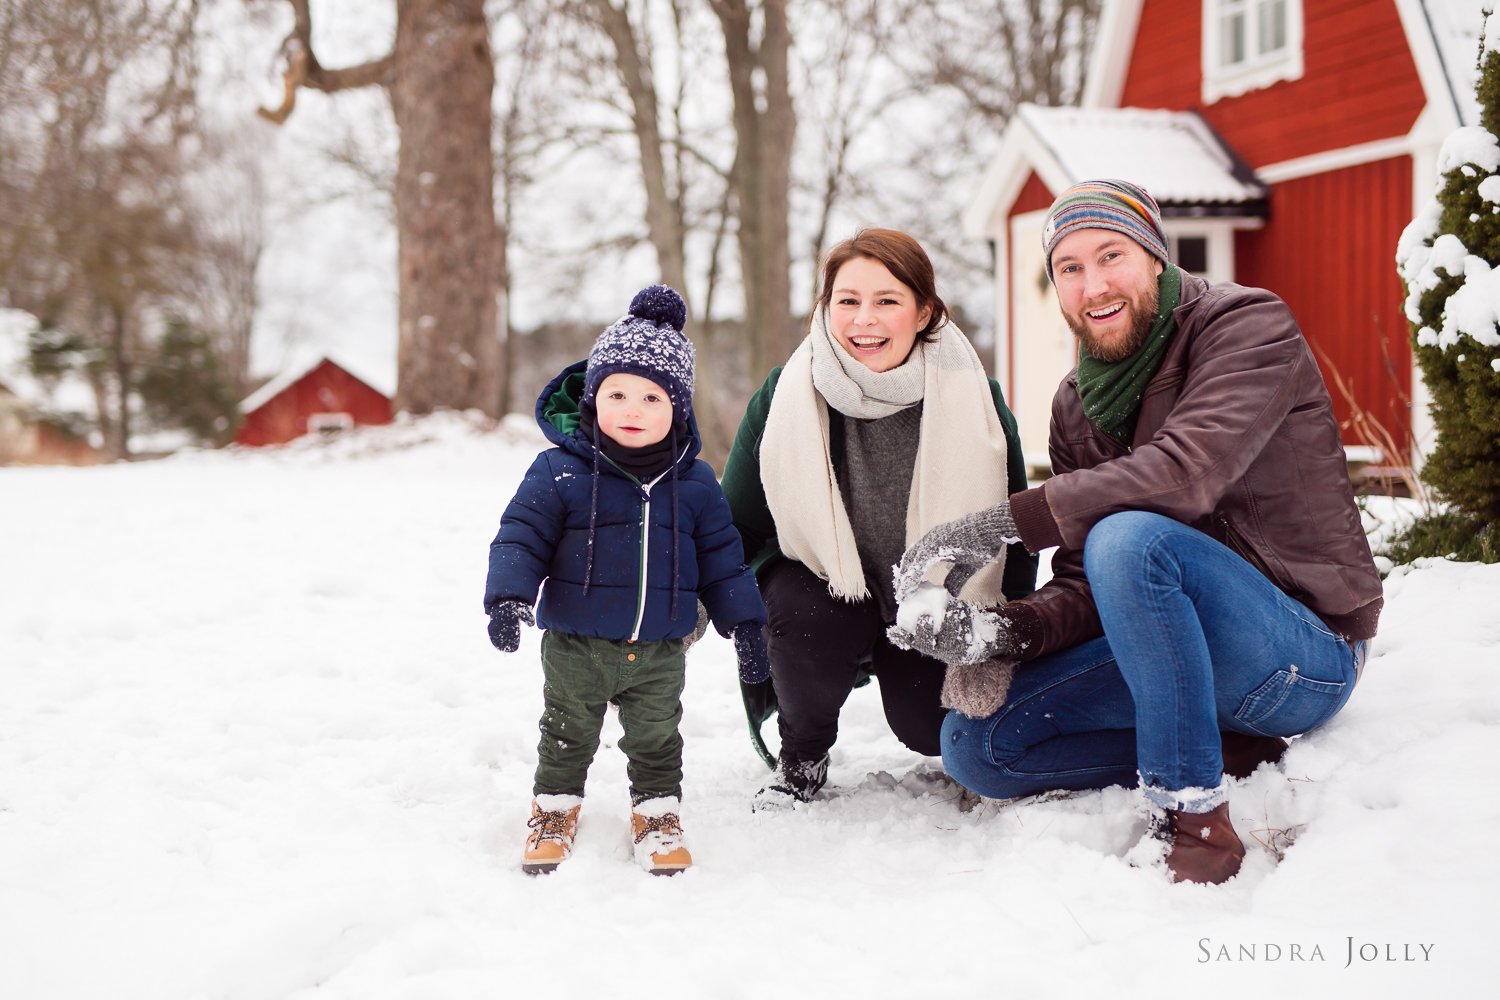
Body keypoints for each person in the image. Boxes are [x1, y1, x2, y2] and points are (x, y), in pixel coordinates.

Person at [889, 180, 1383, 884]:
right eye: (1070, 268)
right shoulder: (1075, 403)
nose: (1093, 284)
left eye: (1110, 255)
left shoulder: (1245, 325)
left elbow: (1185, 474)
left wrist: (1007, 523)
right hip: (1174, 651)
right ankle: (1233, 749)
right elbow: (1090, 579)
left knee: (1130, 537)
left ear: (1154, 255)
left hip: (1300, 652)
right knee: (977, 745)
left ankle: (1193, 818)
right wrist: (1003, 634)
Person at [721, 229, 1037, 810]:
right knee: (798, 610)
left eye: (887, 300)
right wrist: (697, 612)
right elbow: (733, 524)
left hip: (930, 604)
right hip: (824, 590)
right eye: (847, 300)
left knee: (923, 728)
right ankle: (803, 758)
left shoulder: (978, 401)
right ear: (825, 308)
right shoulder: (785, 395)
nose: (864, 319)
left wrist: (999, 644)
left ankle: (951, 726)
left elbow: (1014, 536)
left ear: (923, 312)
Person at [484, 284, 769, 876]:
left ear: (678, 409)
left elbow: (723, 558)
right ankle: (555, 808)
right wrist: (509, 596)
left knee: (658, 737)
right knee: (565, 731)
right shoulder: (559, 471)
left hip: (660, 648)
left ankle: (658, 813)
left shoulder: (694, 484)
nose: (631, 410)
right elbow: (520, 534)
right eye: (616, 393)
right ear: (591, 398)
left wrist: (746, 624)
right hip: (576, 646)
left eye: (650, 396)